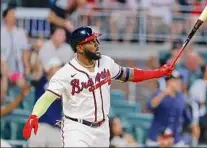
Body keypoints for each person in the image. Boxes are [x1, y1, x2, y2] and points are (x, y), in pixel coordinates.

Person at [22, 26, 175, 147]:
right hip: (77, 128)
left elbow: (129, 74)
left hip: (102, 127)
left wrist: (157, 73)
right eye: (90, 41)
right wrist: (34, 115)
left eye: (95, 40)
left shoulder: (105, 62)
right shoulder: (66, 73)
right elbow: (48, 96)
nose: (96, 44)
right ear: (80, 48)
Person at [146, 70, 200, 147]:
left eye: (179, 80)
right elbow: (150, 106)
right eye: (175, 81)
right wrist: (163, 94)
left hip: (174, 139)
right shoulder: (159, 93)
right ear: (168, 82)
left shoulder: (181, 98)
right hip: (157, 137)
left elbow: (187, 118)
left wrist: (193, 126)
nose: (179, 83)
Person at [28, 57, 63, 147]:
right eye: (56, 67)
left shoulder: (63, 85)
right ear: (49, 69)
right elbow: (35, 72)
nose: (59, 69)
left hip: (55, 127)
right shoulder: (41, 80)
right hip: (39, 125)